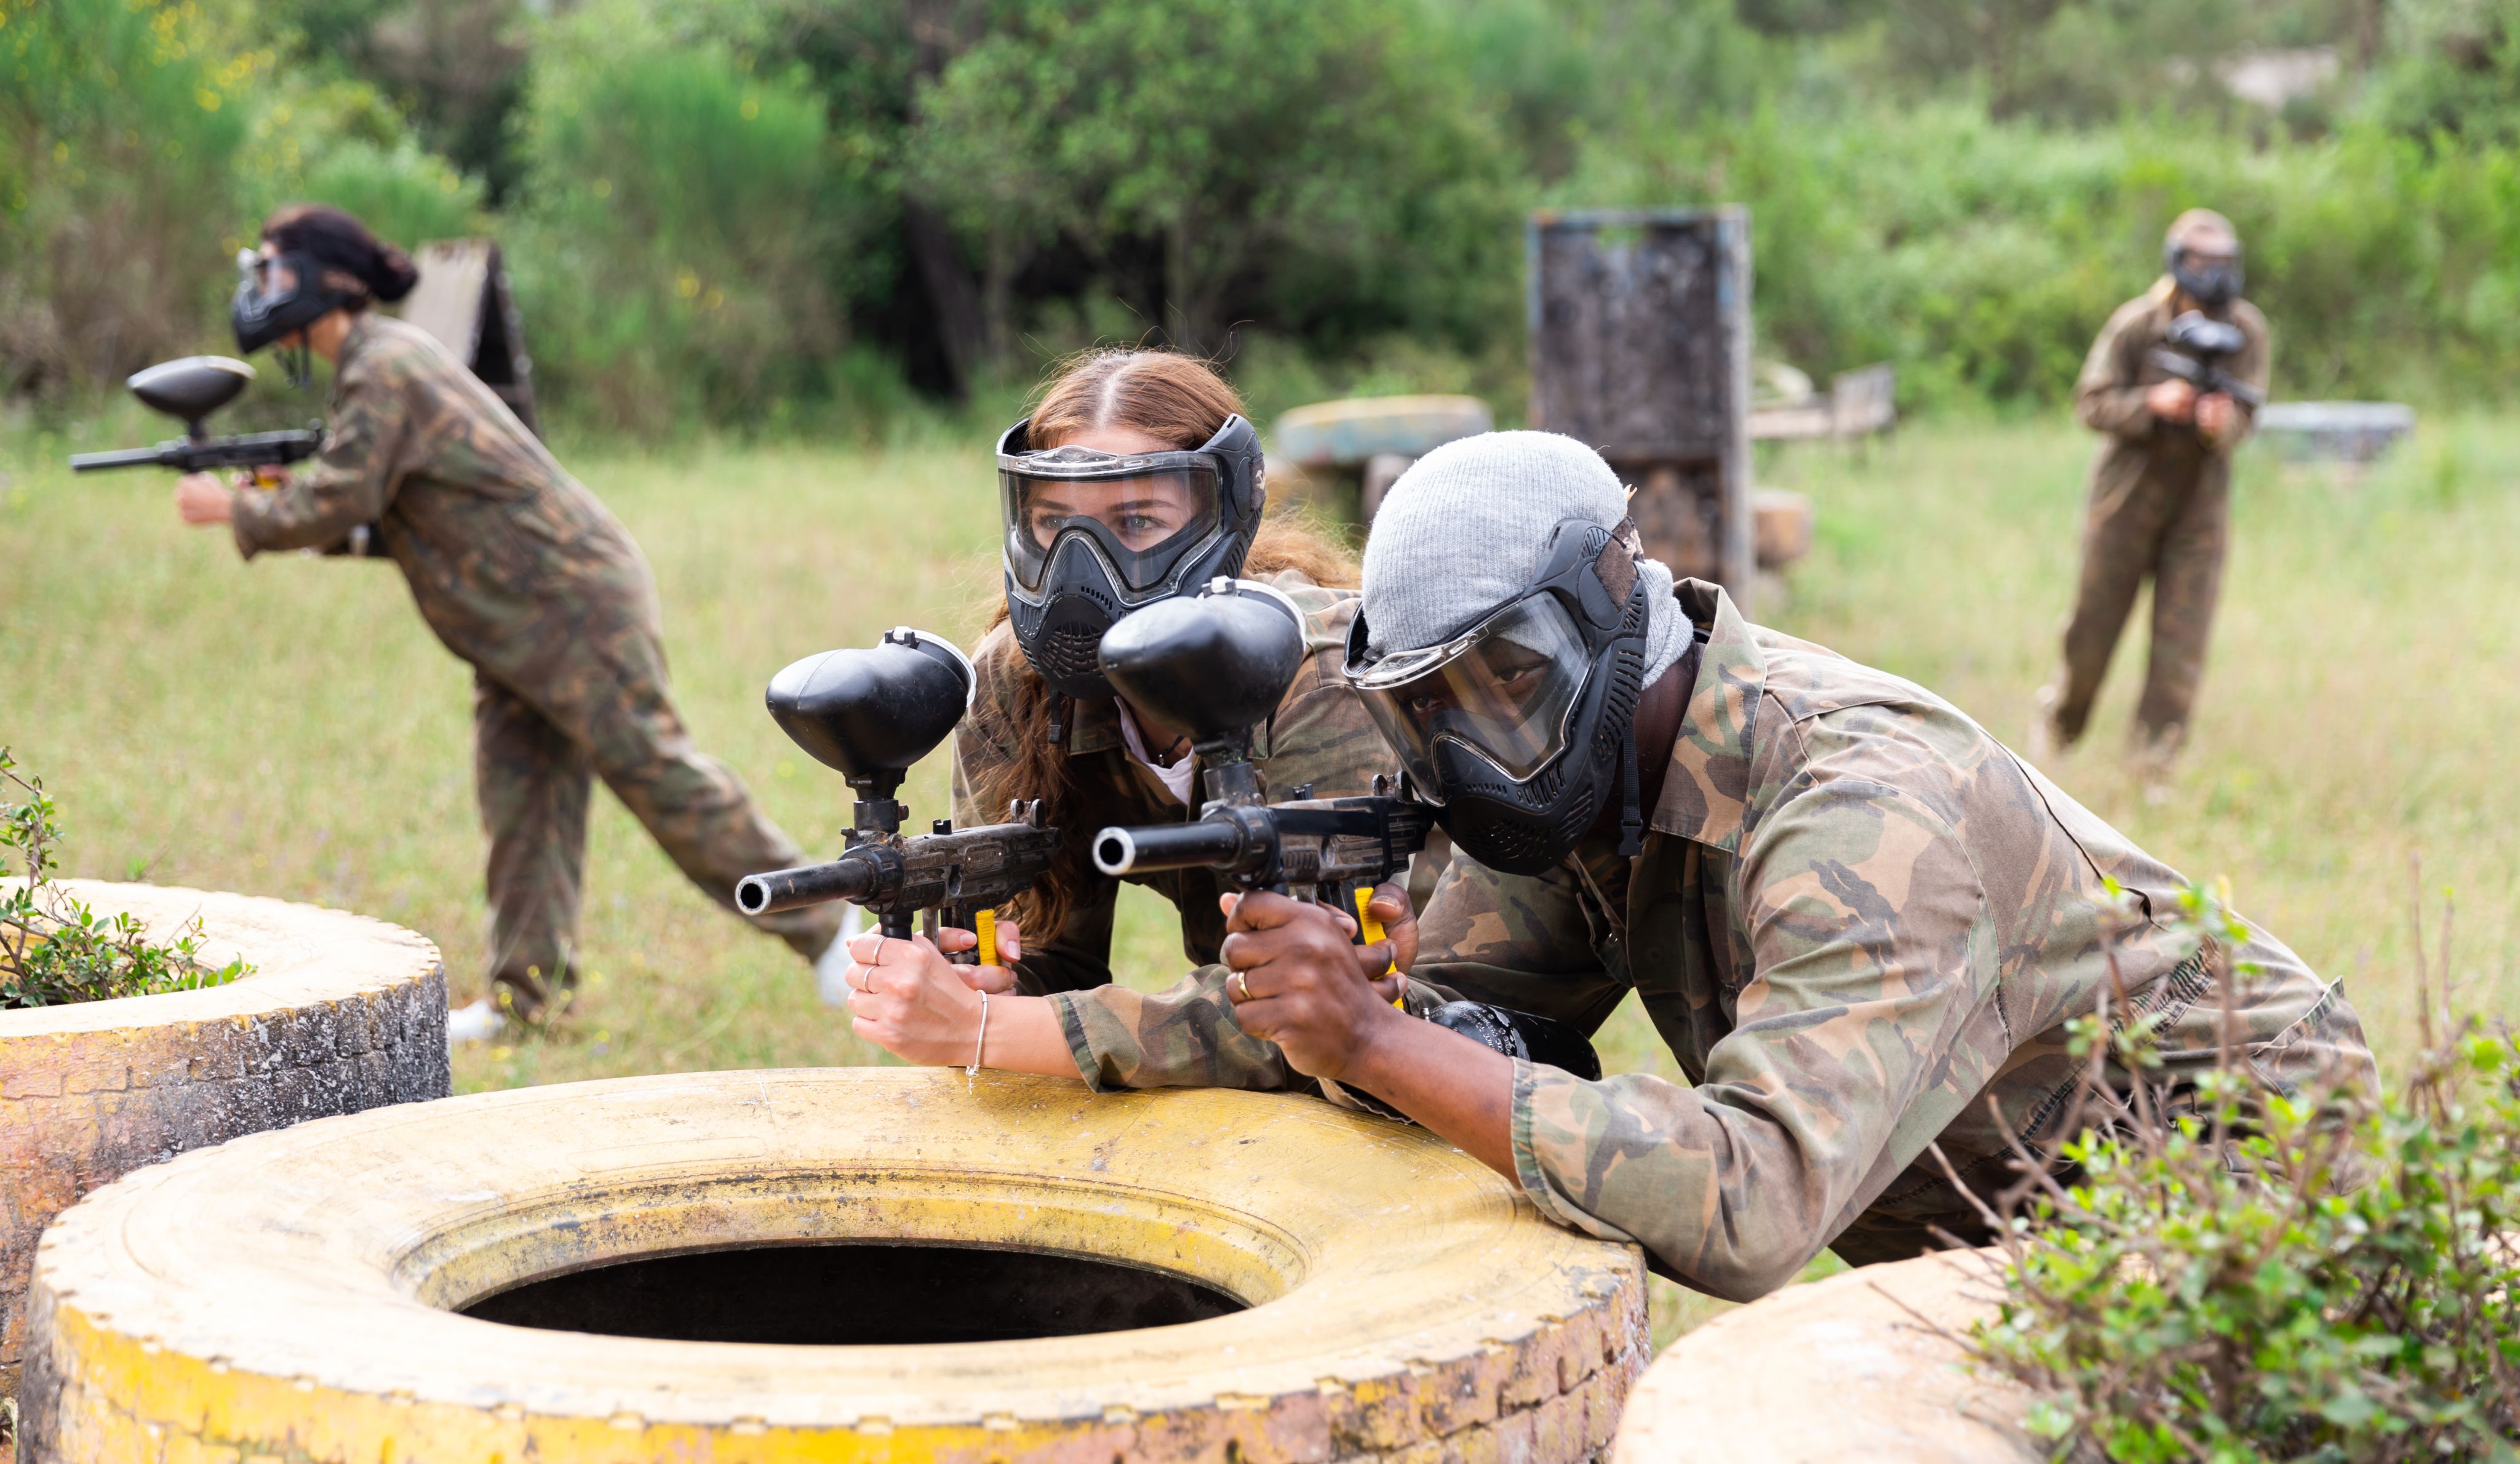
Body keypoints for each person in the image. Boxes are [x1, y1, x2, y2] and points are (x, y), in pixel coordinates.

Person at [841, 431, 2375, 1302]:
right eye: (1427, 702)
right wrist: (1333, 1012)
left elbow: (1747, 1201)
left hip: (2254, 1215)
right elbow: (1442, 1009)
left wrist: (1377, 1038)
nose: (1475, 733)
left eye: (1506, 673)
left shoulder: (1867, 811)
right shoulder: (1582, 777)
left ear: (1614, 604)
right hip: (1971, 1222)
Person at [173, 204, 842, 1031]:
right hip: (513, 619)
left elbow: (339, 496)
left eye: (276, 270)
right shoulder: (375, 368)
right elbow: (382, 515)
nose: (265, 290)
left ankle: (829, 927)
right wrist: (277, 500)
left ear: (324, 280)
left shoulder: (385, 365)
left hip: (567, 600)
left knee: (656, 771)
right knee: (522, 800)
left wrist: (233, 512)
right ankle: (528, 1000)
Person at [943, 350, 1427, 997]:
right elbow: (1041, 959)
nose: (1081, 569)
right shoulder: (1017, 683)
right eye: (1055, 523)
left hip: (1455, 1021)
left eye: (1138, 522)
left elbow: (1334, 1005)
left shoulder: (1313, 672)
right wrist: (983, 987)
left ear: (1221, 522)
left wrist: (1003, 1035)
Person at [2033, 207, 2270, 776]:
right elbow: (2089, 402)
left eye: (2224, 262)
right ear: (2177, 261)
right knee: (2092, 632)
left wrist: (2221, 423)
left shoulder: (2248, 330)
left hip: (2199, 509)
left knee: (2180, 647)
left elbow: (2250, 410)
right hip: (2125, 501)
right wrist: (2152, 404)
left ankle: (2153, 767)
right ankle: (2060, 729)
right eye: (2201, 261)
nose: (2213, 274)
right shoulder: (2137, 323)